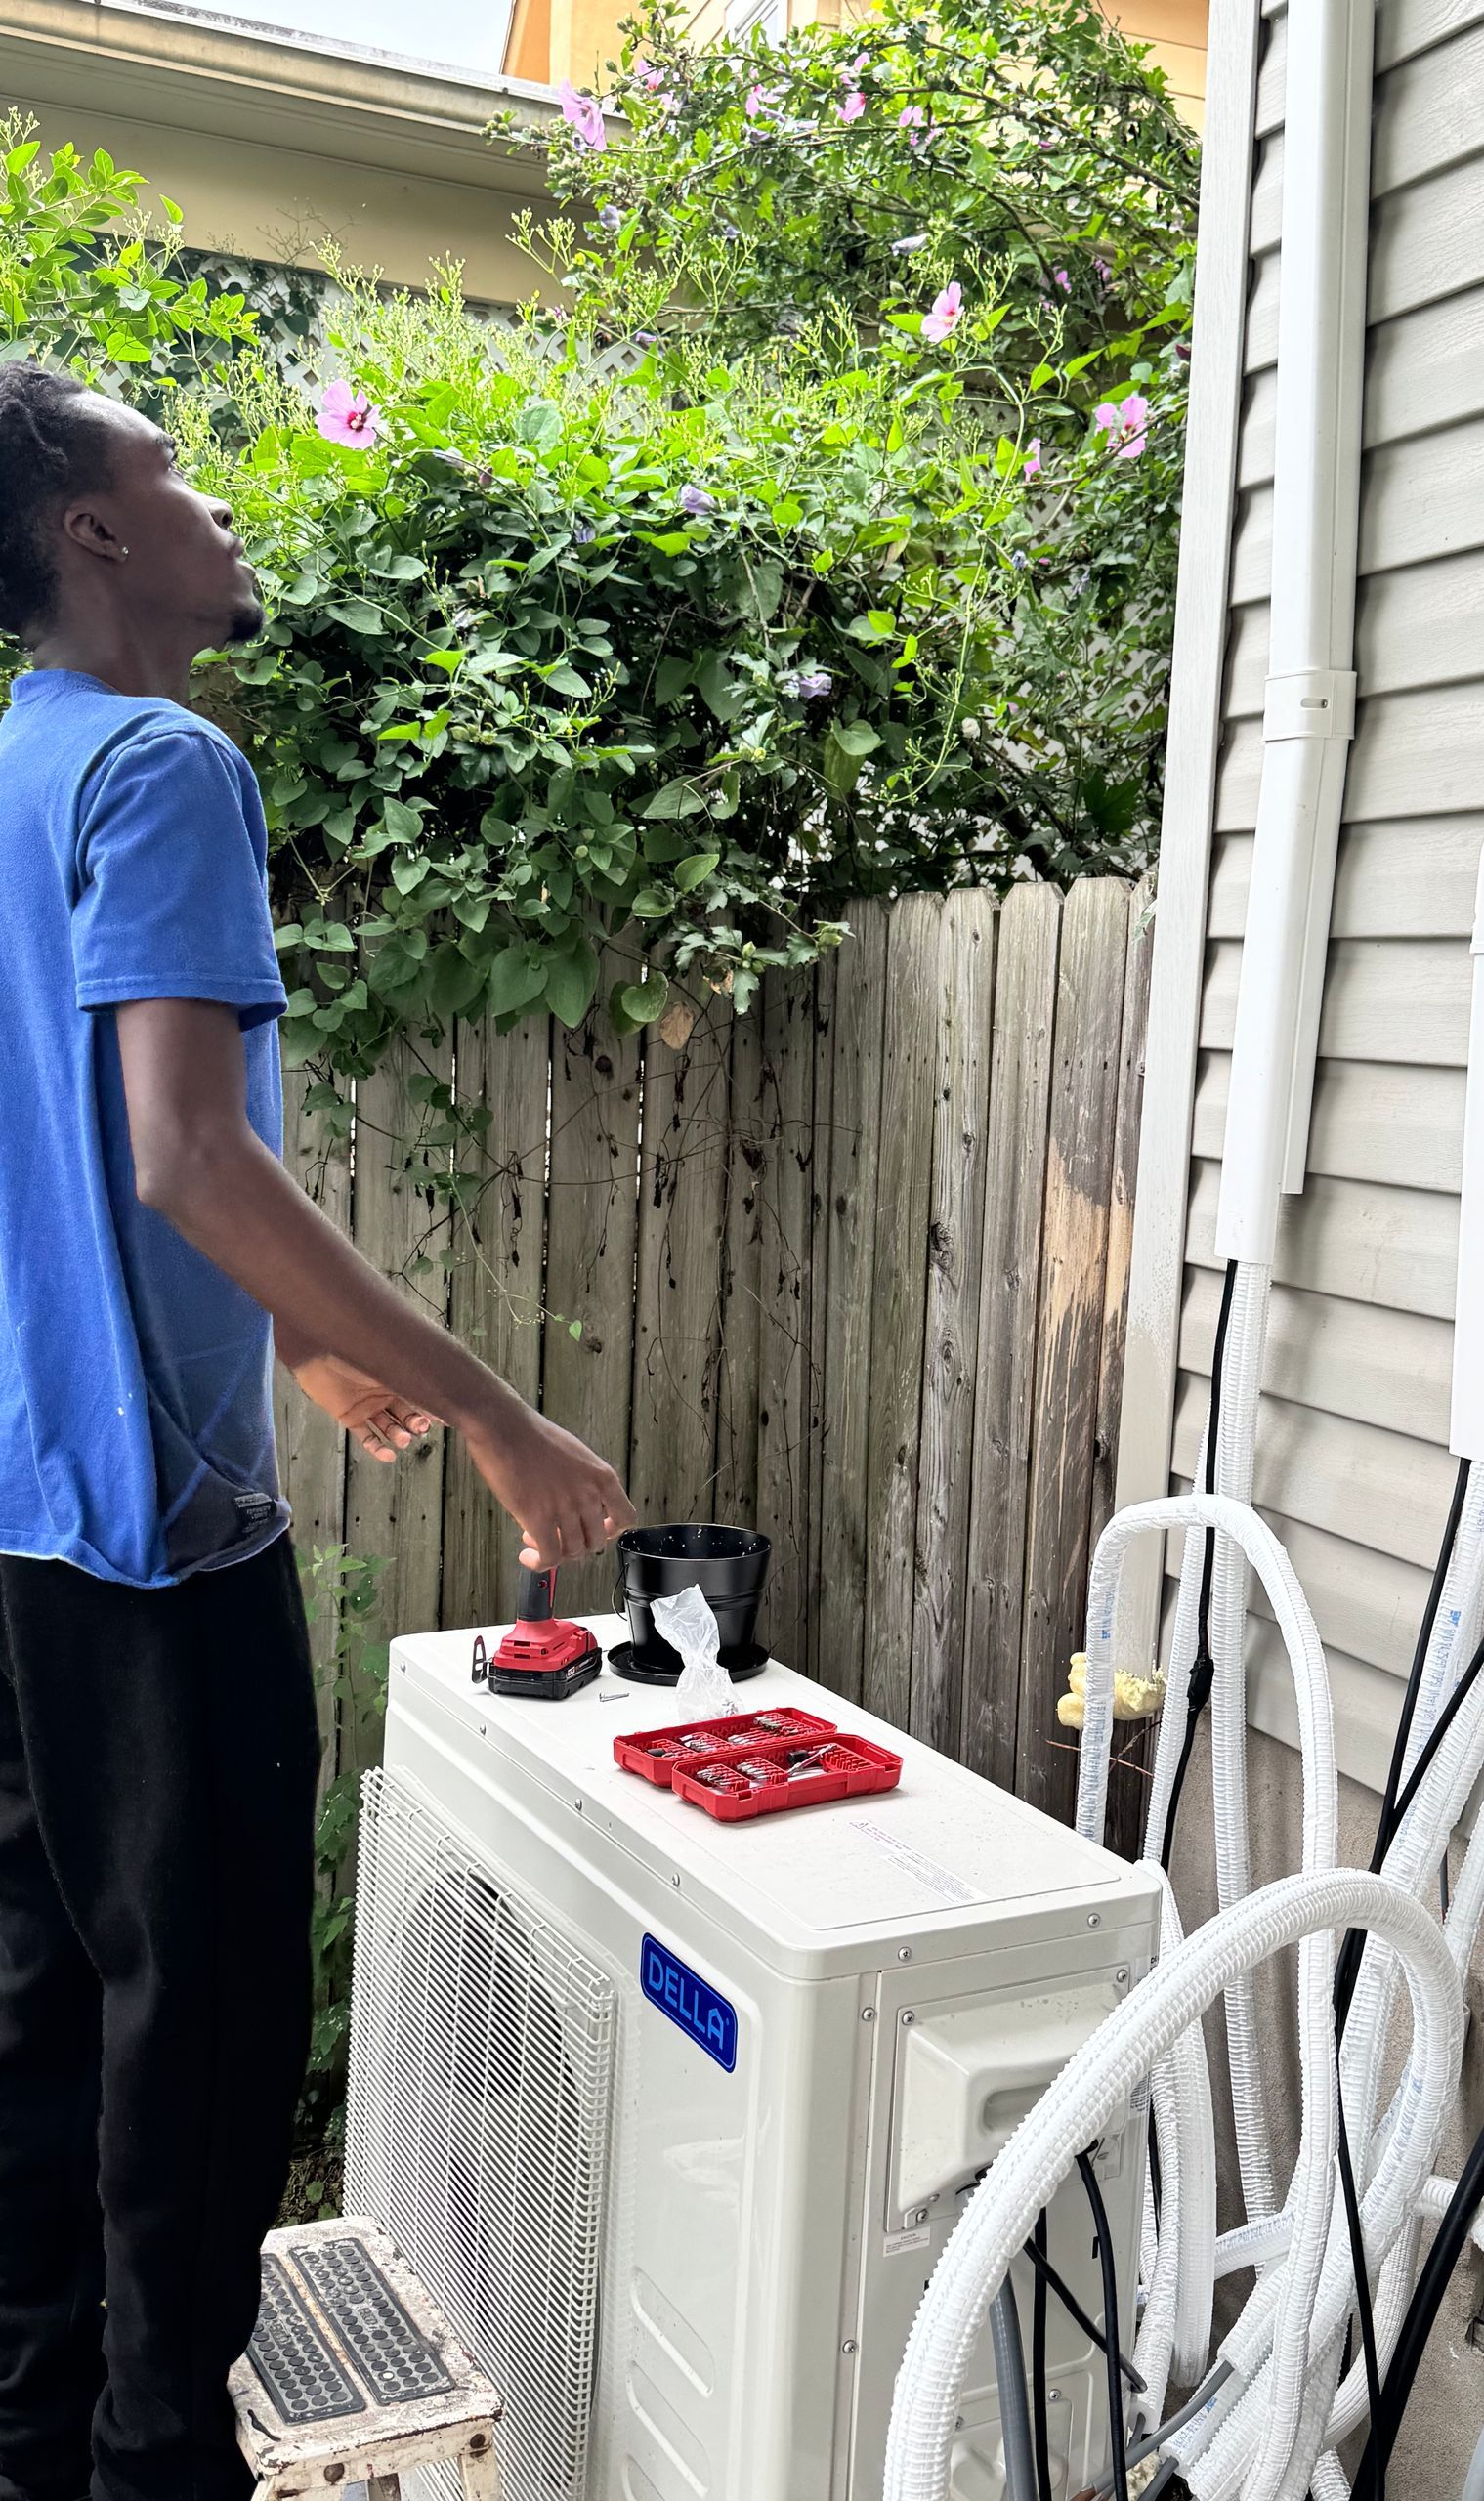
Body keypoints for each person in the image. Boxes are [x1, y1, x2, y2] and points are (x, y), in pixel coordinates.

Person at [0, 360, 632, 2501]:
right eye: (177, 476)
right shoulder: (165, 760)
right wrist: (500, 1414)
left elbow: (60, 1167)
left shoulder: (15, 761)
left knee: (36, 2027)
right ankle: (161, 2470)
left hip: (17, 1520)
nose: (225, 507)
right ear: (92, 534)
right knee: (199, 2054)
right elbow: (183, 1158)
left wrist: (286, 1346)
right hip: (155, 1558)